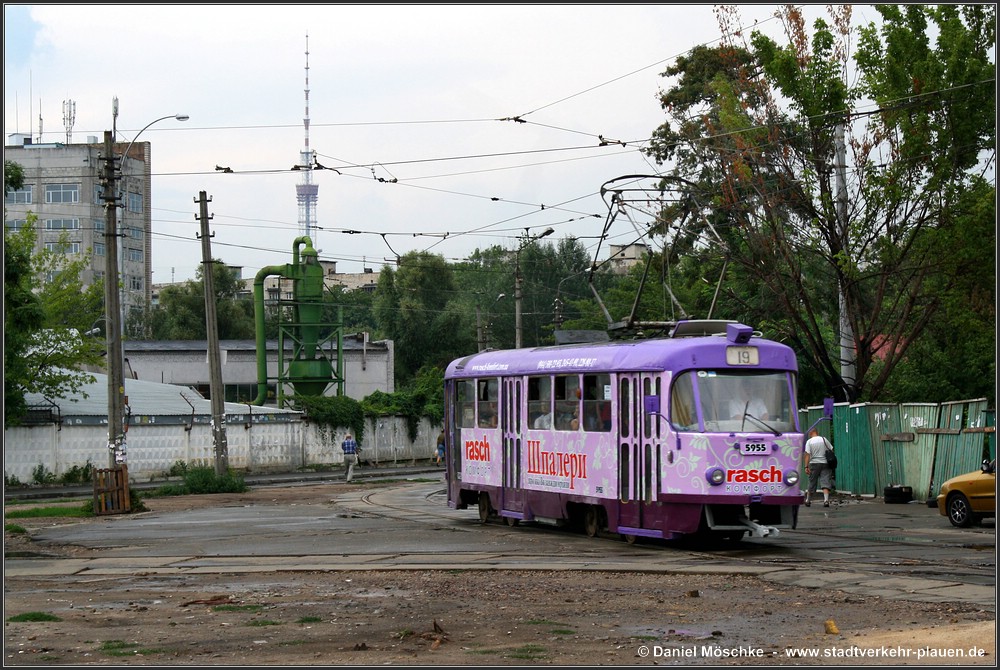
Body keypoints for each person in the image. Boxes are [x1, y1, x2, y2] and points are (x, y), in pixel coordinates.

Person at [803, 428, 833, 507]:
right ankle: (826, 501)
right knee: (825, 481)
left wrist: (806, 466)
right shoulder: (824, 439)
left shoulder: (809, 441)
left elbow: (807, 454)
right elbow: (831, 449)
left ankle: (808, 500)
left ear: (810, 433)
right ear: (817, 432)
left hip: (814, 464)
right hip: (825, 463)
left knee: (812, 482)